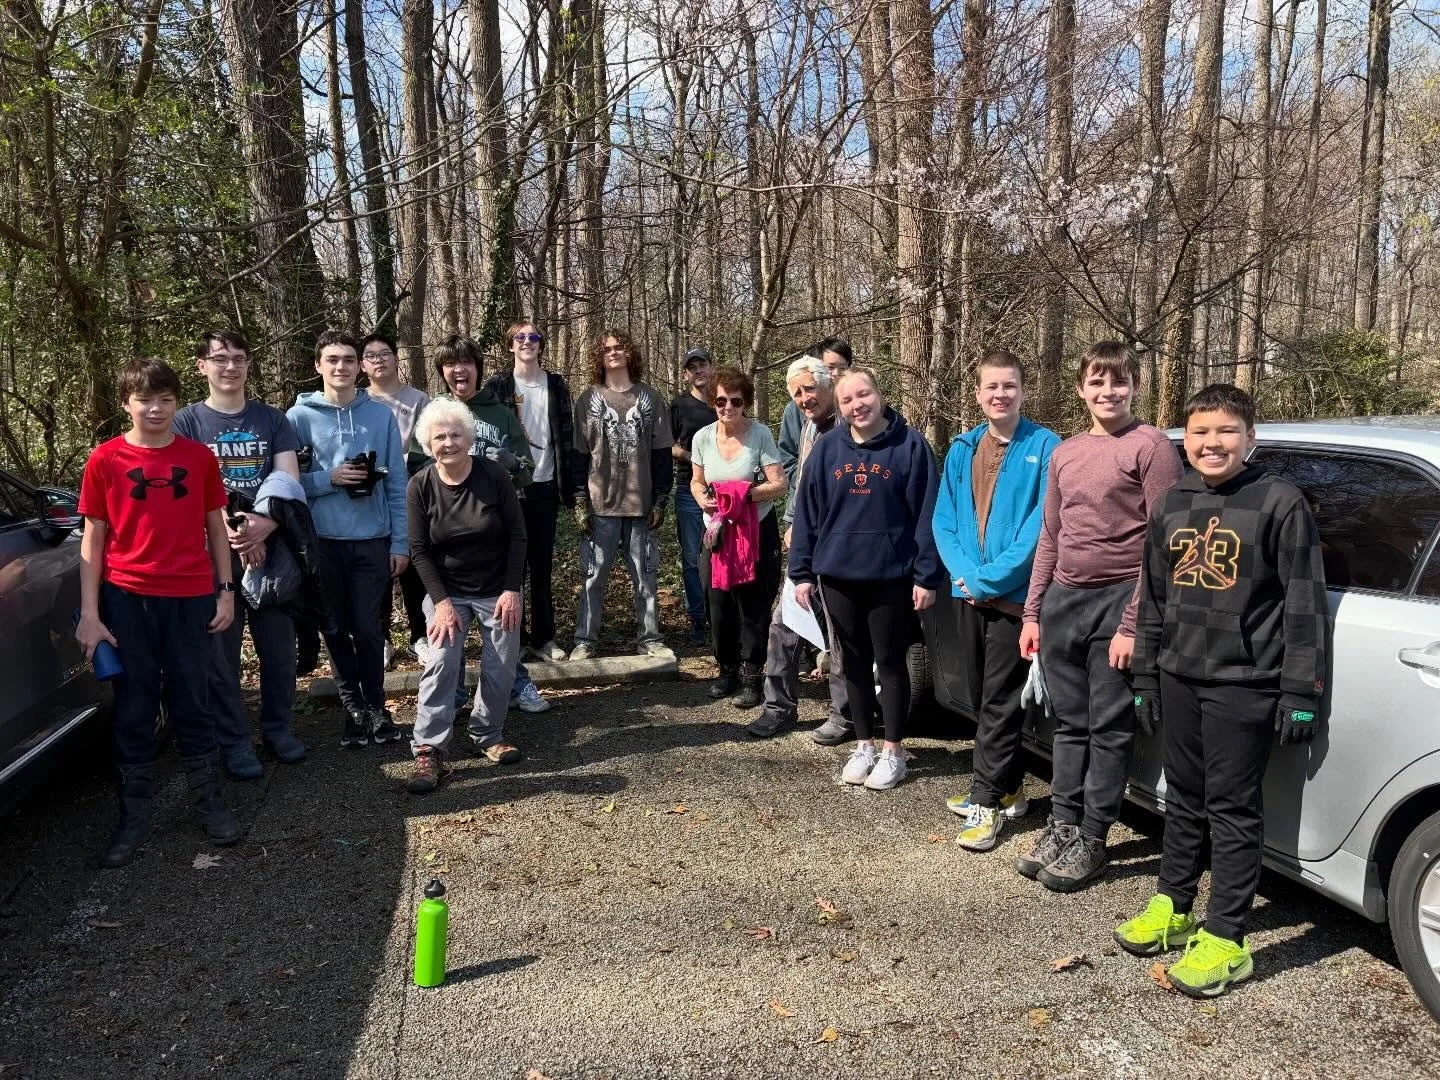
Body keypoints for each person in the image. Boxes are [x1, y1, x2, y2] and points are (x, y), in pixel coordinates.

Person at [1115, 384, 1328, 997]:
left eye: (1227, 431)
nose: (1212, 443)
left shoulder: (1279, 502)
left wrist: (1300, 691)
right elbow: (1152, 598)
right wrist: (1147, 677)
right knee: (1181, 796)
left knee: (1232, 808)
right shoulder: (1173, 502)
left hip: (1246, 683)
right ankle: (1174, 907)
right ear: (1187, 439)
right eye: (1200, 432)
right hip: (1180, 675)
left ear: (1251, 438)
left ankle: (1227, 937)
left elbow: (1304, 605)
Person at [1016, 341, 1182, 891]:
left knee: (1108, 727)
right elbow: (1051, 535)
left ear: (1135, 385)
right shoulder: (1065, 453)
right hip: (1064, 600)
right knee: (1070, 724)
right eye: (1097, 382)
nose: (1108, 392)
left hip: (1119, 600)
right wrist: (1033, 612)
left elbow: (1163, 543)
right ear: (1081, 388)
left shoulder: (1151, 446)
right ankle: (1062, 824)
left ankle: (1093, 835)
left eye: (1119, 382)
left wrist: (1134, 623)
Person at [74, 358, 241, 868]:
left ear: (176, 403)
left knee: (193, 699)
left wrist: (226, 591)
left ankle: (209, 803)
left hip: (190, 596)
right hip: (127, 599)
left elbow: (216, 527)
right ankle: (134, 815)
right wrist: (89, 613)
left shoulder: (197, 458)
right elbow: (93, 538)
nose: (155, 409)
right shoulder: (105, 460)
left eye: (166, 400)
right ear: (127, 403)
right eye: (145, 400)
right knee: (134, 706)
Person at [788, 367, 943, 790]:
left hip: (891, 576)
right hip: (837, 575)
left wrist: (927, 576)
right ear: (839, 408)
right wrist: (800, 572)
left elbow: (928, 518)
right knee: (851, 662)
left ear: (879, 395)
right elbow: (808, 513)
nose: (858, 406)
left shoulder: (911, 447)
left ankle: (894, 750)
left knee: (890, 662)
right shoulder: (827, 450)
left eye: (864, 395)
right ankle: (864, 744)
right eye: (847, 401)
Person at [932, 351, 1060, 849]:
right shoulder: (963, 448)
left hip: (1013, 601)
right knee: (983, 698)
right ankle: (1010, 790)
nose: (1000, 394)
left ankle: (985, 803)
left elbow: (1041, 527)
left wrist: (991, 580)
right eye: (991, 387)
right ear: (979, 393)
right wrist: (966, 576)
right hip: (970, 594)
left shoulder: (1047, 447)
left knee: (1002, 703)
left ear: (1023, 392)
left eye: (1009, 386)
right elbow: (944, 519)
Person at [173, 330, 307, 780]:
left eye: (238, 358)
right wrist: (230, 533)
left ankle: (278, 730)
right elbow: (182, 490)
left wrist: (263, 525)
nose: (230, 367)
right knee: (221, 656)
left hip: (270, 550)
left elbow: (288, 478)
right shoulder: (186, 423)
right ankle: (233, 742)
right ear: (202, 366)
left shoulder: (272, 420)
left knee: (279, 650)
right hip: (211, 556)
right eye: (219, 359)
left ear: (249, 364)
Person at [288, 330, 410, 749]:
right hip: (321, 542)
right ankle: (354, 712)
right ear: (318, 366)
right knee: (334, 627)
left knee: (368, 627)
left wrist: (400, 543)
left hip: (372, 539)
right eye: (332, 360)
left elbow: (397, 482)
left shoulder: (379, 416)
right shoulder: (297, 418)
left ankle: (377, 706)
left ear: (360, 367)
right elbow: (285, 485)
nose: (341, 367)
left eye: (348, 360)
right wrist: (329, 478)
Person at [405, 399, 528, 792]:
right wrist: (440, 603)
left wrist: (512, 589)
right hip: (448, 593)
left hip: (497, 589)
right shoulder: (420, 485)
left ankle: (487, 734)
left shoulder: (493, 475)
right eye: (439, 436)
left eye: (456, 434)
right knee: (441, 658)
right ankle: (429, 748)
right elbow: (419, 551)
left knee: (502, 664)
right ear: (428, 443)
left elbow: (517, 536)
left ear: (469, 437)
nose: (449, 442)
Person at [745, 356, 852, 743]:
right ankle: (779, 708)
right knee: (784, 624)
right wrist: (792, 523)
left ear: (828, 384)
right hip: (805, 544)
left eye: (809, 389)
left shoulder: (848, 426)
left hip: (839, 547)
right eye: (797, 393)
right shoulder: (808, 427)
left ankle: (845, 714)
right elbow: (801, 481)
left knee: (839, 631)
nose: (805, 398)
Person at [483, 320, 574, 716]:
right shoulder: (498, 387)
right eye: (519, 337)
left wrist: (572, 489)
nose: (526, 342)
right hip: (508, 487)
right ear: (510, 345)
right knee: (511, 568)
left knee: (541, 564)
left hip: (544, 485)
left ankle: (544, 637)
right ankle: (513, 638)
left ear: (541, 344)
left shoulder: (555, 386)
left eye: (533, 337)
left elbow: (565, 438)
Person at [570, 329, 674, 660]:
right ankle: (585, 640)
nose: (613, 353)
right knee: (593, 577)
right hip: (601, 505)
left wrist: (660, 498)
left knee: (645, 577)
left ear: (629, 353)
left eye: (619, 347)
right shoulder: (588, 400)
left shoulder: (650, 398)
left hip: (640, 504)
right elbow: (579, 455)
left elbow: (661, 454)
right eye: (607, 349)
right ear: (598, 357)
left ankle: (650, 638)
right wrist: (578, 501)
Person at [690, 366, 787, 706]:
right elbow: (696, 480)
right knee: (716, 601)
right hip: (715, 531)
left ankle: (751, 673)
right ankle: (726, 669)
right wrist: (702, 497)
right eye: (720, 401)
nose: (727, 407)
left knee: (753, 602)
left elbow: (779, 484)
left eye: (735, 401)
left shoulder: (760, 434)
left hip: (754, 529)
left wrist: (743, 495)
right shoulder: (702, 437)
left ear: (745, 402)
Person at [360, 332, 431, 669]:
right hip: (369, 500)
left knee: (414, 569)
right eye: (371, 355)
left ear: (396, 357)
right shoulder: (358, 402)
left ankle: (420, 636)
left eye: (385, 353)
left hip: (411, 497)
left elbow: (425, 449)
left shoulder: (418, 400)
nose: (379, 360)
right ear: (362, 364)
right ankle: (382, 639)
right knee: (378, 573)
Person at [671, 346, 717, 646]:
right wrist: (696, 459)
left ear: (711, 368)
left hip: (724, 494)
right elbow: (667, 446)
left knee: (720, 557)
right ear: (686, 374)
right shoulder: (679, 406)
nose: (698, 370)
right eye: (692, 367)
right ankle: (697, 618)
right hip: (689, 490)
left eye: (702, 365)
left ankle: (721, 616)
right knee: (692, 558)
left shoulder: (724, 402)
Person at [778, 336, 851, 490]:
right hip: (799, 502)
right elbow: (787, 456)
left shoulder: (853, 409)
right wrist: (804, 483)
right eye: (830, 367)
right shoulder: (795, 409)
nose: (836, 374)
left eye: (843, 368)